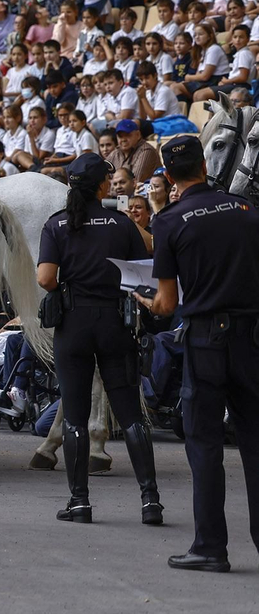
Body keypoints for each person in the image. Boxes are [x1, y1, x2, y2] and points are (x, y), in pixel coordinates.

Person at [137, 135, 259, 573]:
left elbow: (167, 304)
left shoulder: (169, 220)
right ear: (205, 167)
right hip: (251, 339)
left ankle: (210, 546)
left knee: (205, 446)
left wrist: (144, 299)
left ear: (168, 175)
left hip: (207, 341)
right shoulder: (247, 210)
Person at [37, 152, 160, 526]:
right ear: (102, 185)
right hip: (114, 321)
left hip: (73, 324)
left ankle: (79, 502)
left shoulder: (57, 224)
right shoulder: (122, 224)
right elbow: (143, 271)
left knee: (74, 416)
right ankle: (150, 500)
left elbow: (45, 279)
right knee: (130, 414)